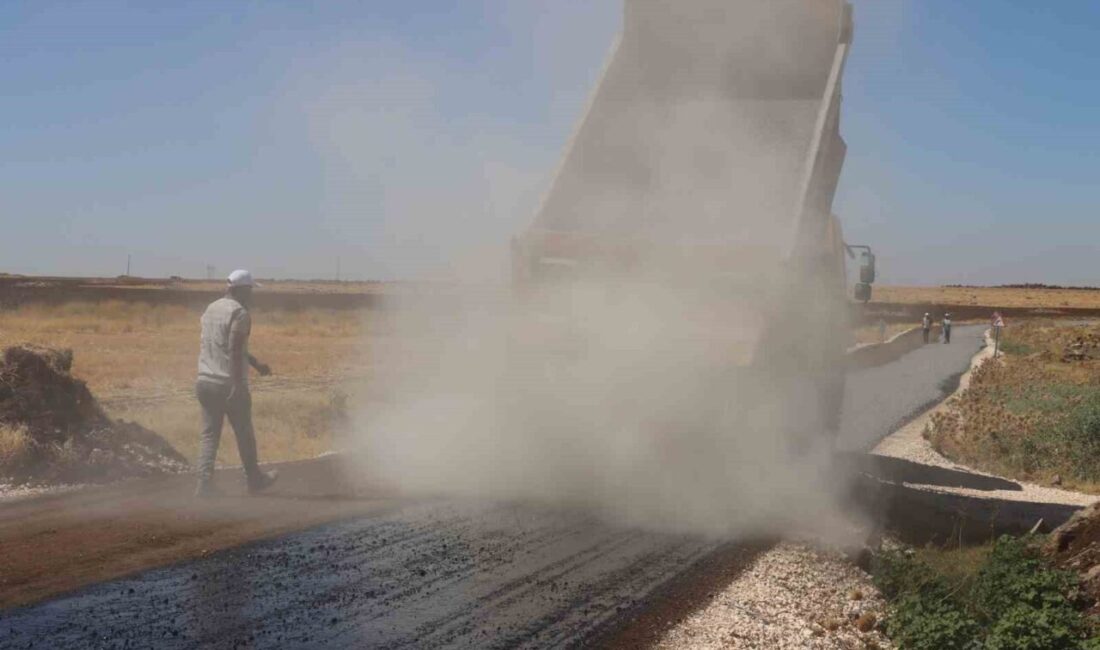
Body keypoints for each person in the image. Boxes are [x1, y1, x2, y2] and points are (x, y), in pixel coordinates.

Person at [194, 269, 277, 498]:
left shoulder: (211, 308)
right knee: (244, 433)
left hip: (204, 380)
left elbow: (223, 344)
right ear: (241, 290)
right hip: (226, 383)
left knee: (210, 435)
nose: (252, 295)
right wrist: (238, 385)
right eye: (250, 290)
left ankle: (204, 484)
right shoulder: (240, 313)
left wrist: (256, 364)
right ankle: (254, 479)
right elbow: (234, 348)